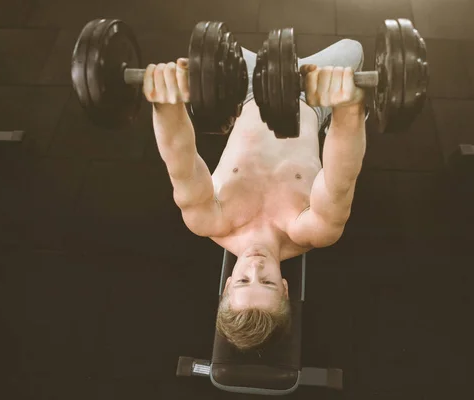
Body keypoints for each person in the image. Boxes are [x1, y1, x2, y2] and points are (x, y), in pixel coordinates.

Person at [143, 39, 367, 350]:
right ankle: (328, 103)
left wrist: (166, 104)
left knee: (206, 43)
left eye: (244, 281)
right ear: (285, 288)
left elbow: (180, 163)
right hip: (310, 97)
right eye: (268, 282)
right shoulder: (311, 229)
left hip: (248, 92)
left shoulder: (211, 220)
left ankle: (243, 92)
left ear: (227, 285)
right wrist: (348, 108)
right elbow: (341, 178)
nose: (255, 268)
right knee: (353, 50)